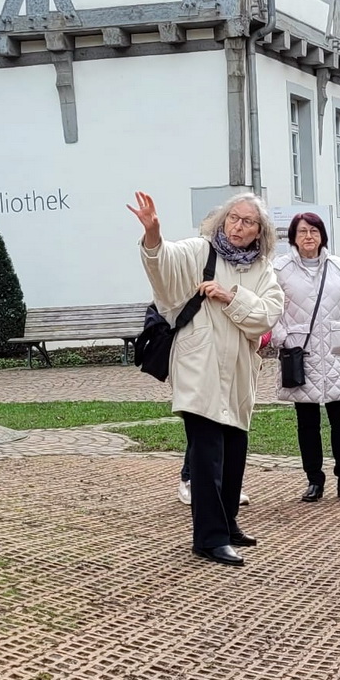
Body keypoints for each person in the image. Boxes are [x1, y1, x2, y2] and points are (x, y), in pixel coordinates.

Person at [129, 190, 284, 568]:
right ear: (223, 220)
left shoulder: (263, 270)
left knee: (233, 452)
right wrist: (152, 233)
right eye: (234, 218)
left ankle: (228, 524)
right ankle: (208, 538)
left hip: (240, 374)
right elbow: (163, 265)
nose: (239, 226)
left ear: (259, 232)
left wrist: (230, 298)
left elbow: (268, 314)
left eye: (248, 222)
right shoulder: (200, 251)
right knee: (207, 456)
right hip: (200, 369)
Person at [271, 212, 340, 504]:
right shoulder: (280, 269)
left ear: (322, 235)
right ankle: (314, 480)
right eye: (302, 232)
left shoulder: (339, 267)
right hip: (301, 354)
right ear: (293, 237)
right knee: (307, 422)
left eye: (314, 230)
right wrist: (283, 337)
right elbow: (271, 308)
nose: (308, 236)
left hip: (335, 354)